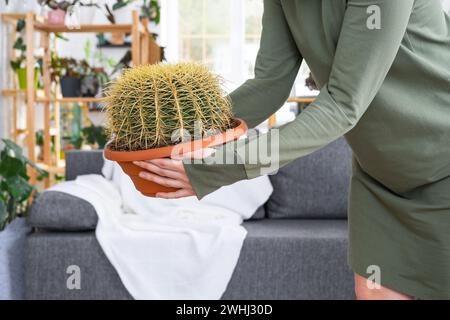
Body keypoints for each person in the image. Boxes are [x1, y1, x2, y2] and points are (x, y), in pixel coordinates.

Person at [133, 0, 450, 300]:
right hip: (379, 178)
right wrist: (180, 135)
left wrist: (218, 167)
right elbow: (269, 84)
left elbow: (342, 104)